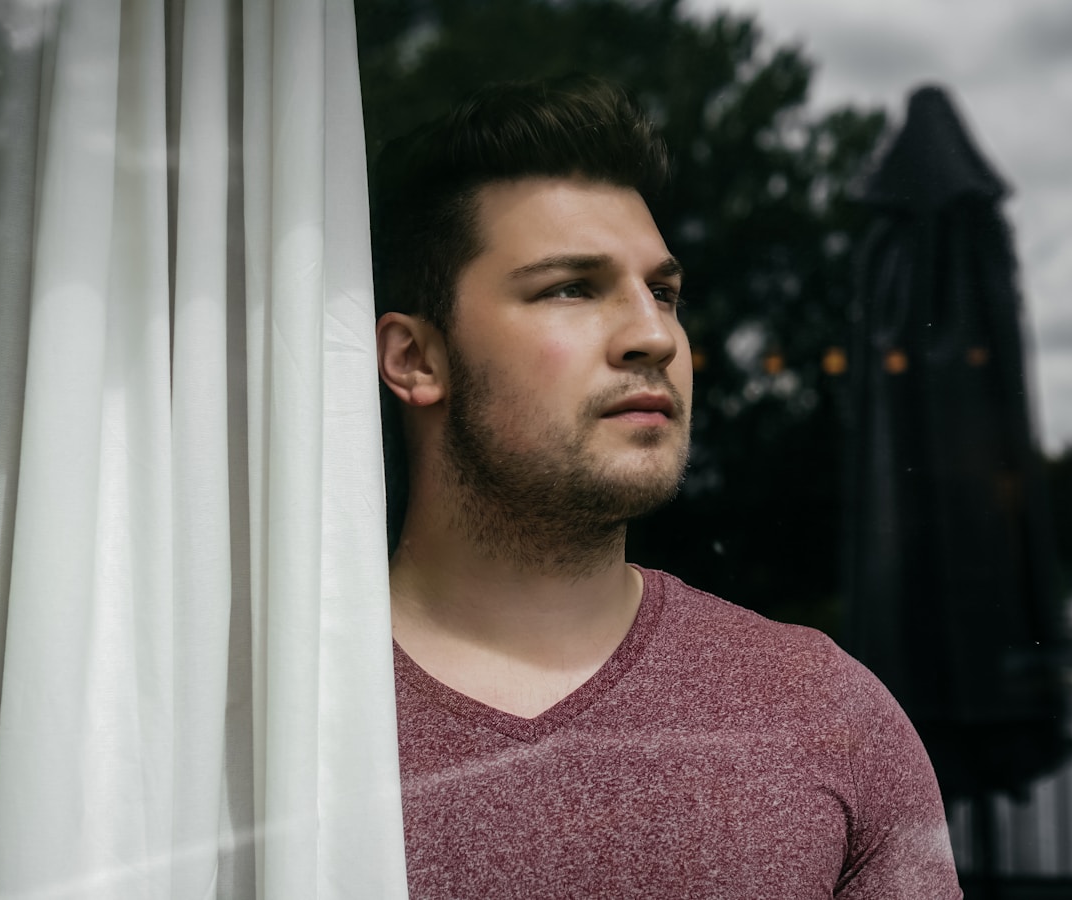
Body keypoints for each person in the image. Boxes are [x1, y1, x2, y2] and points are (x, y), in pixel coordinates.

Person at [371, 75, 961, 900]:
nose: (654, 335)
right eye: (571, 287)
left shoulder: (825, 715)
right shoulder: (273, 716)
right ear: (415, 360)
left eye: (663, 293)